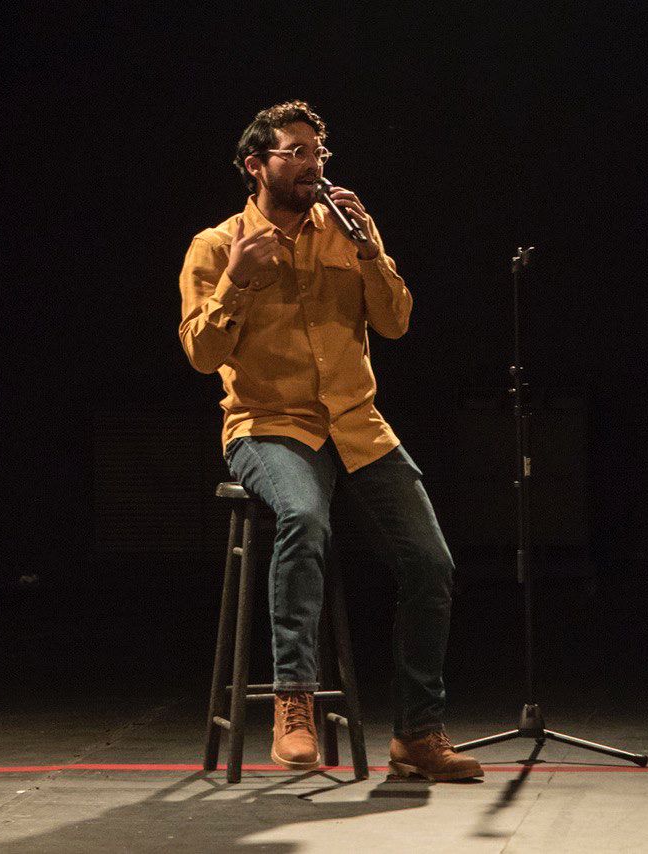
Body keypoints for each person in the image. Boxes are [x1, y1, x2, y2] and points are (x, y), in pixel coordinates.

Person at [178, 100, 481, 781]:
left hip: (356, 422)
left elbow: (396, 322)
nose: (313, 164)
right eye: (296, 152)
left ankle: (417, 735)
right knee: (304, 518)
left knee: (431, 562)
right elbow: (201, 353)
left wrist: (373, 250)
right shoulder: (217, 246)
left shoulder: (347, 231)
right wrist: (236, 282)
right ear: (256, 165)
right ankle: (294, 703)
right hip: (268, 424)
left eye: (319, 153)